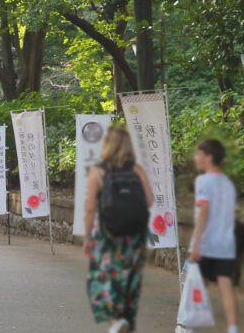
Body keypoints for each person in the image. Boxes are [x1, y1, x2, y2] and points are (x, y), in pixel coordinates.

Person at [83, 126, 153, 333]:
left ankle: (115, 321)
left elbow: (90, 209)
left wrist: (88, 237)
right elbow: (149, 200)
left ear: (108, 144)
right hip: (135, 236)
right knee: (130, 281)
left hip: (108, 235)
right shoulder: (136, 169)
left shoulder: (99, 170)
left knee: (106, 277)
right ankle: (126, 321)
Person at [189, 139, 238, 333]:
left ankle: (191, 326)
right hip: (226, 244)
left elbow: (203, 211)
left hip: (206, 244)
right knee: (226, 286)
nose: (196, 158)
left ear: (208, 158)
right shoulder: (228, 184)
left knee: (197, 285)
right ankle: (233, 328)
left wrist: (197, 243)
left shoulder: (203, 181)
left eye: (198, 154)